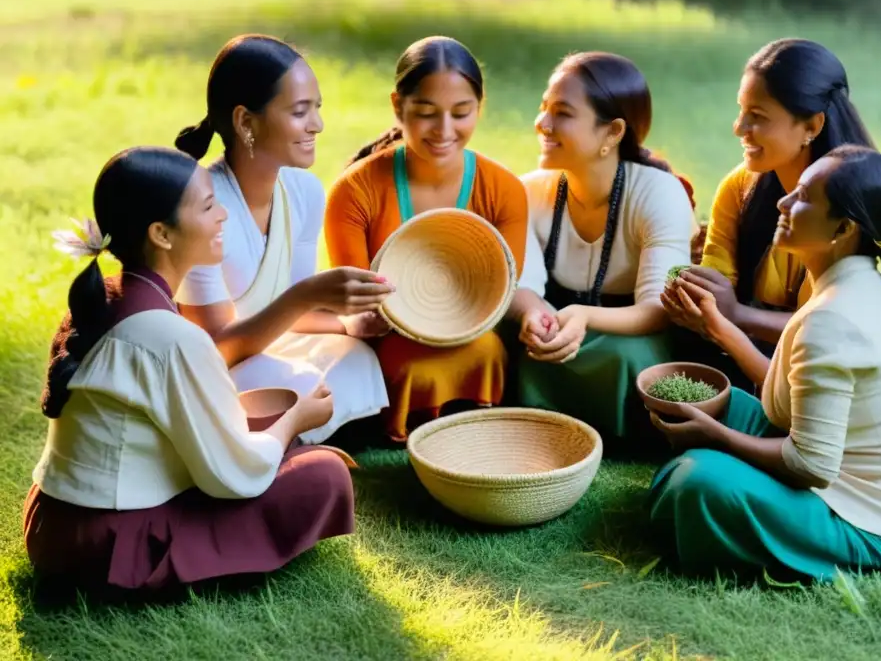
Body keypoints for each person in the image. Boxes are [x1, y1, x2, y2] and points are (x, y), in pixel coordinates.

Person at [648, 146, 881, 582]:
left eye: (803, 197)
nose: (783, 202)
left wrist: (715, 436)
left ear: (843, 228)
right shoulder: (851, 284)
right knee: (727, 402)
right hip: (853, 475)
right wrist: (720, 329)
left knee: (699, 484)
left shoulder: (833, 316)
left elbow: (809, 465)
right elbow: (794, 393)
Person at [25, 146, 358, 593]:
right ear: (162, 234)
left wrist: (272, 423)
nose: (222, 215)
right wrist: (296, 417)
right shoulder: (170, 336)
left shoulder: (103, 297)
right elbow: (233, 477)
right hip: (105, 544)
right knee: (322, 475)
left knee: (276, 434)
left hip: (53, 522)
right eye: (207, 206)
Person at [174, 34, 391, 445]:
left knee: (356, 360)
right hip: (216, 367)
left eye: (317, 110)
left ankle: (293, 430)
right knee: (302, 384)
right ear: (245, 122)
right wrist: (307, 295)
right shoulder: (203, 207)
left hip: (271, 348)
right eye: (299, 112)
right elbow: (216, 349)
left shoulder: (304, 192)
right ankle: (289, 436)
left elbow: (293, 313)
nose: (317, 125)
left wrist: (348, 323)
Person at [323, 36, 529, 443]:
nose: (444, 130)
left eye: (461, 112)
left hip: (472, 333)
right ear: (398, 106)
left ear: (480, 108)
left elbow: (501, 288)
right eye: (426, 112)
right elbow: (356, 299)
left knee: (487, 351)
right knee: (402, 364)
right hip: (385, 338)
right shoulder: (355, 190)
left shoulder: (503, 189)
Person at [505, 51, 699, 445]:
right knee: (512, 339)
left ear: (612, 133)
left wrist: (581, 316)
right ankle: (535, 424)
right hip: (556, 328)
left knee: (626, 356)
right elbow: (517, 281)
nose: (542, 123)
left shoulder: (659, 193)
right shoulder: (526, 191)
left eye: (562, 112)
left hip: (631, 336)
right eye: (544, 108)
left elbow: (657, 309)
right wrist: (531, 315)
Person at [663, 38, 875, 392]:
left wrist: (737, 315)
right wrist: (698, 296)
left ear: (812, 126)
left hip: (817, 359)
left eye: (757, 117)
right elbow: (719, 284)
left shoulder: (849, 207)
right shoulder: (739, 187)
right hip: (737, 343)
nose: (738, 127)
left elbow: (826, 326)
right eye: (740, 111)